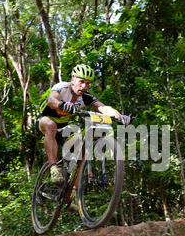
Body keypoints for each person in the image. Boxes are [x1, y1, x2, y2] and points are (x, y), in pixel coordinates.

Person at [36, 64, 130, 209]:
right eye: (81, 81)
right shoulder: (62, 87)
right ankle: (53, 168)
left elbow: (102, 107)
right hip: (45, 120)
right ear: (73, 79)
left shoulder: (85, 97)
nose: (84, 86)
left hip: (64, 127)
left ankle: (73, 192)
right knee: (51, 126)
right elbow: (51, 100)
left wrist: (120, 116)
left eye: (87, 83)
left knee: (83, 149)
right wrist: (62, 104)